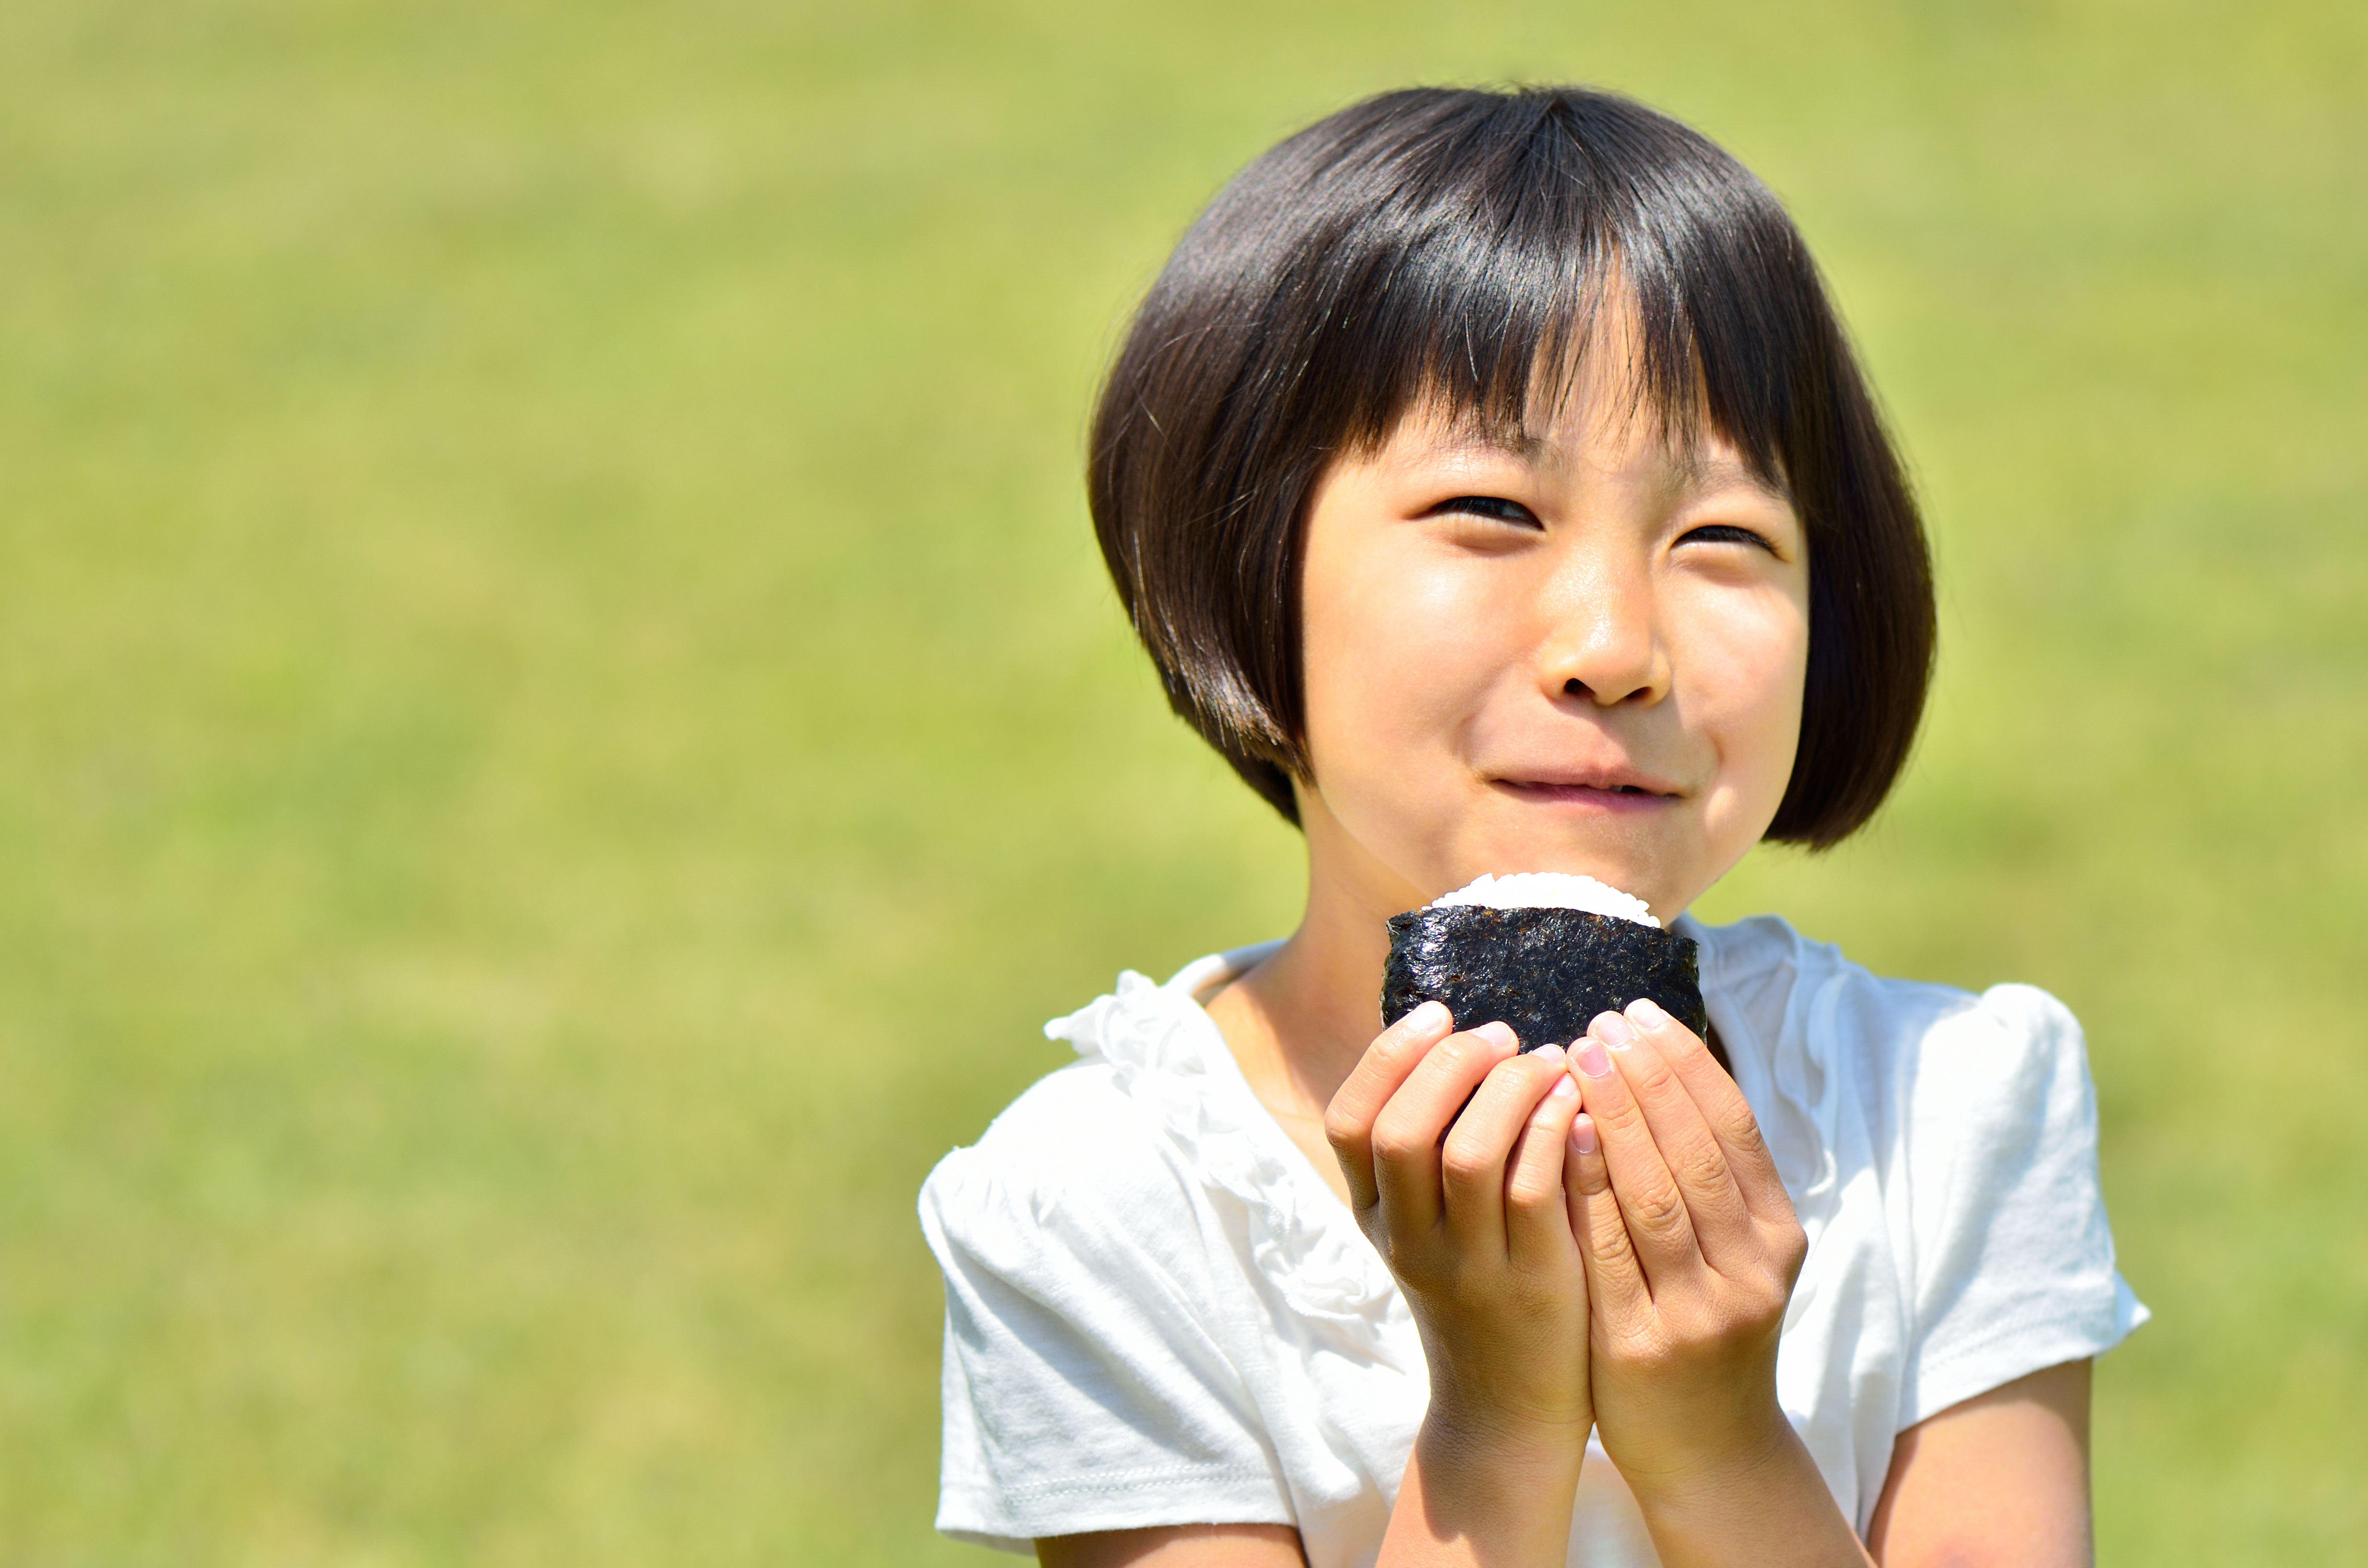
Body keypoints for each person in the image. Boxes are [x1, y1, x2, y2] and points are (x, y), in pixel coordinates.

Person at [918, 85, 2146, 1568]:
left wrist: (1713, 1435)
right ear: (1245, 563)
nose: (1616, 642)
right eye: (1492, 512)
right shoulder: (1105, 1207)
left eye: (1722, 539)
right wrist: (1493, 1425)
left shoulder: (1944, 1115)